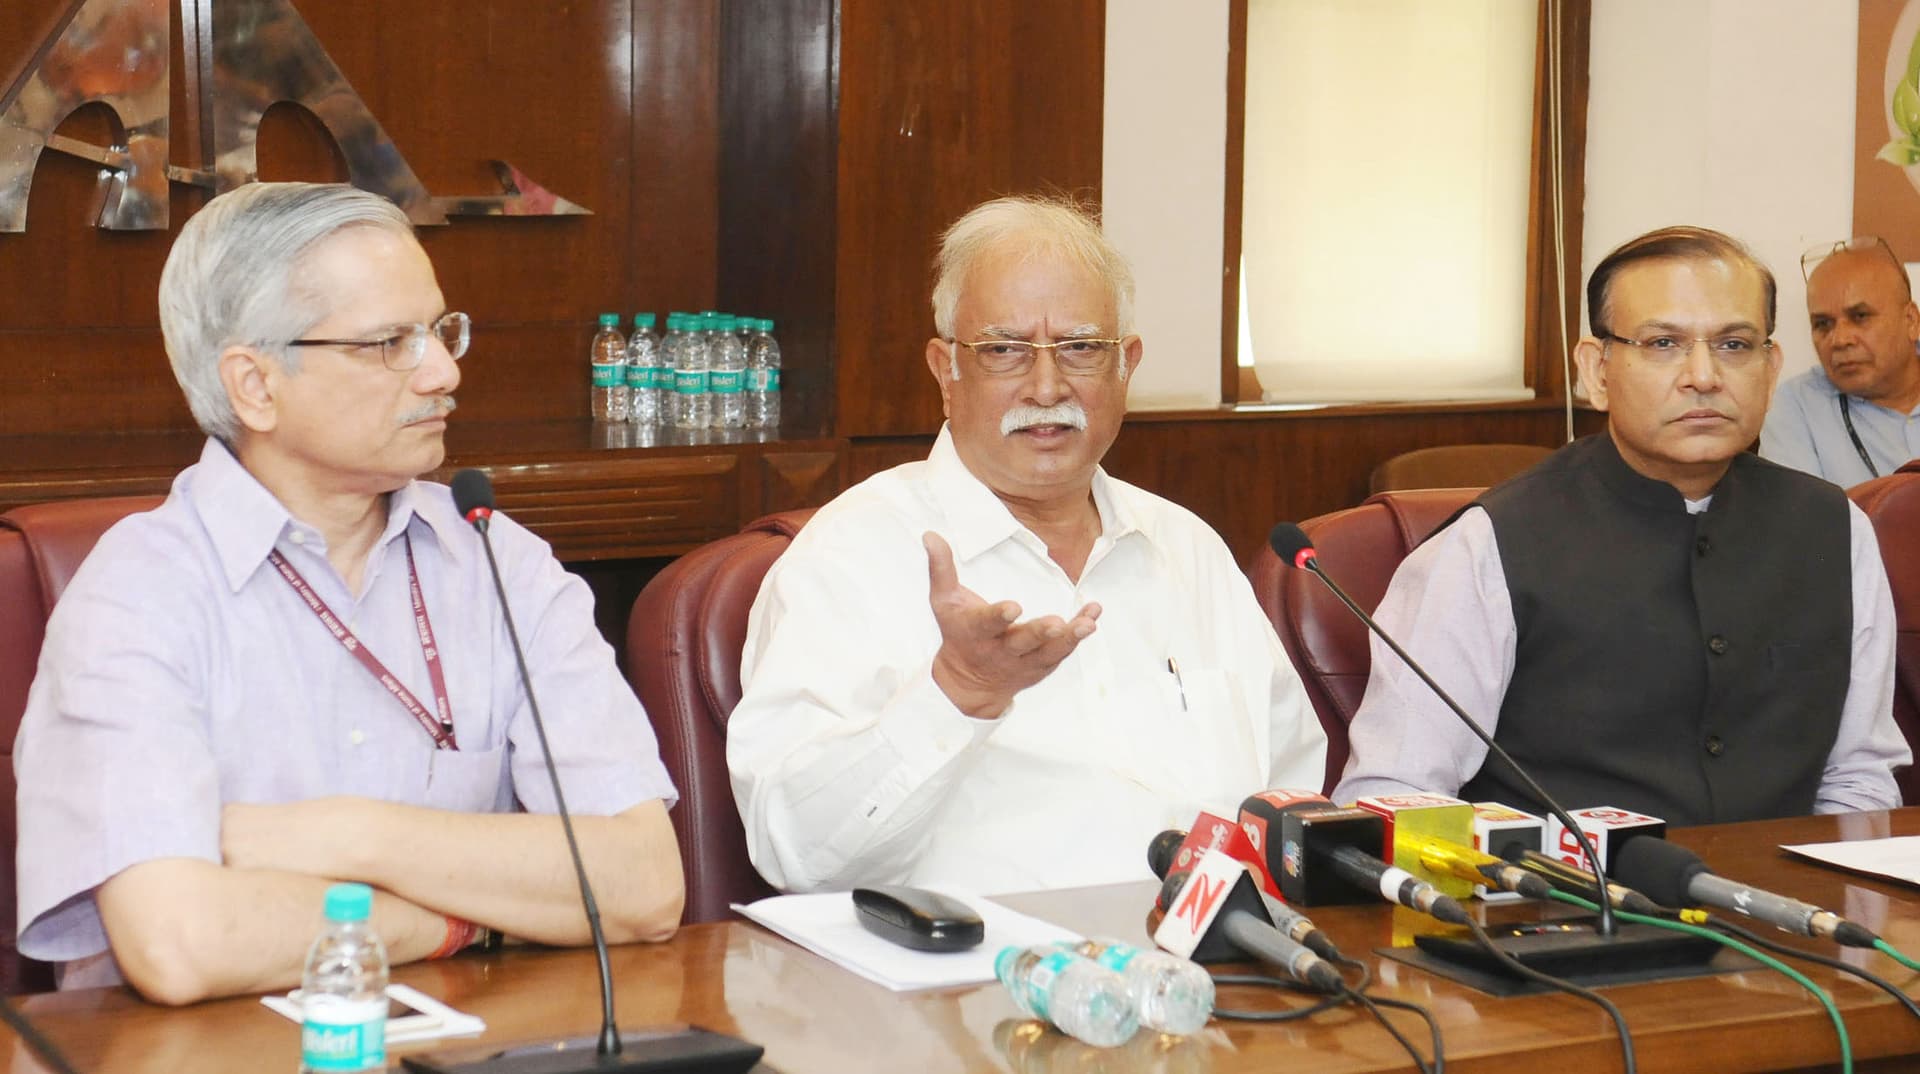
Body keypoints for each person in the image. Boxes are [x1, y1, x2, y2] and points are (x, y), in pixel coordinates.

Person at [14, 182, 684, 1005]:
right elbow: (181, 943)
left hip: (477, 1042)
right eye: (389, 343)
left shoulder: (496, 559)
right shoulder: (138, 594)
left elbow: (644, 884)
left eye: (439, 330)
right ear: (255, 386)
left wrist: (351, 837)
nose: (442, 371)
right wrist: (464, 919)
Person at [727, 196, 1326, 894]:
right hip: (979, 960)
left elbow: (1291, 803)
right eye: (1004, 350)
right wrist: (960, 691)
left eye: (1081, 348)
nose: (1046, 387)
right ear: (946, 369)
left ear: (1126, 365)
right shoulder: (852, 556)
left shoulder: (1187, 548)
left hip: (1216, 951)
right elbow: (797, 855)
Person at [1336, 226, 1908, 824]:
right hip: (1561, 884)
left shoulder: (1836, 530)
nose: (1703, 375)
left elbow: (1859, 777)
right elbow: (1394, 796)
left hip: (1781, 883)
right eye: (1663, 343)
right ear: (1597, 371)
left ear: (1771, 367)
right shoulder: (1487, 547)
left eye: (1735, 344)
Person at [1761, 236, 1920, 485]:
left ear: (1911, 321)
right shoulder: (1795, 407)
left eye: (1860, 316)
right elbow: (1800, 510)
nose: (1840, 340)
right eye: (1823, 324)